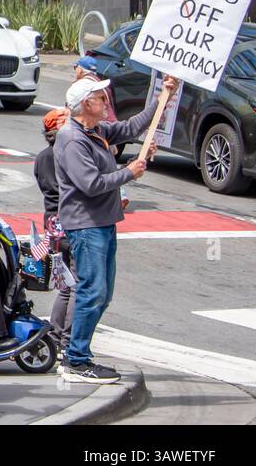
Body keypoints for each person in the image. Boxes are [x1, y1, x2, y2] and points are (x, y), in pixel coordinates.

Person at [54, 73, 173, 384]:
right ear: (85, 105)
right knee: (92, 292)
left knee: (101, 295)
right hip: (86, 225)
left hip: (103, 222)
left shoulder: (96, 130)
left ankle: (79, 354)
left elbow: (132, 127)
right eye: (99, 97)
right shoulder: (72, 139)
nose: (106, 101)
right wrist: (128, 173)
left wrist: (163, 98)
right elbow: (91, 184)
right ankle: (76, 359)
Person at [36, 107, 74, 352]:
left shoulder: (42, 157)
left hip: (53, 224)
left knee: (65, 285)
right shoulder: (66, 155)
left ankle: (59, 335)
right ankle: (67, 339)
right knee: (76, 284)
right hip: (70, 221)